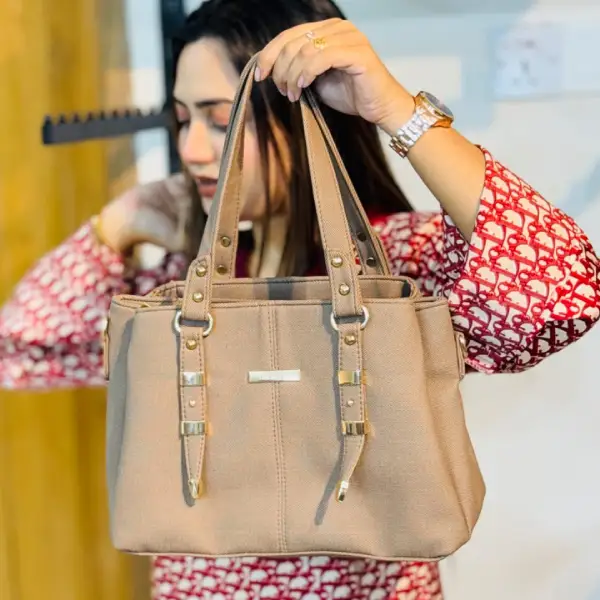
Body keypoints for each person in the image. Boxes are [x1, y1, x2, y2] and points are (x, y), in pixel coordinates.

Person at [1, 0, 598, 598]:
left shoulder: (396, 269)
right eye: (183, 120)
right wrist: (116, 228)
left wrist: (394, 108)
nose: (193, 149)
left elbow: (561, 290)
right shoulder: (182, 293)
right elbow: (19, 349)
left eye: (222, 119)